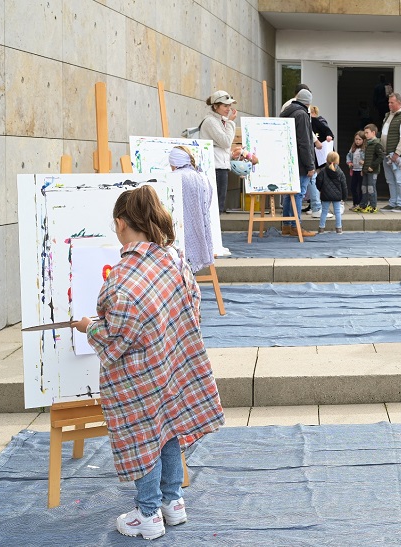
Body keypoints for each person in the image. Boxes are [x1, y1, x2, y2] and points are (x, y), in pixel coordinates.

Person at [71, 185, 224, 540]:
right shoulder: (174, 259)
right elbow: (192, 308)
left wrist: (88, 326)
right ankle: (173, 501)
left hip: (136, 379)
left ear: (121, 223)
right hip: (171, 365)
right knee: (168, 430)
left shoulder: (121, 278)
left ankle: (149, 513)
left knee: (143, 438)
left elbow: (115, 337)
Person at [279, 89, 318, 237]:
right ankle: (296, 226)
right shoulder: (302, 114)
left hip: (288, 159)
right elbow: (304, 142)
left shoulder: (288, 112)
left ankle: (287, 225)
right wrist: (310, 165)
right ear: (308, 103)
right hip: (300, 162)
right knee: (298, 193)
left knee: (289, 194)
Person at [169, 147, 213, 273]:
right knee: (191, 272)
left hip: (178, 232)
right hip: (200, 230)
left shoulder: (174, 177)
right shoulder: (202, 176)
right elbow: (208, 202)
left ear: (174, 162)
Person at [199, 90, 236, 213]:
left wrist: (231, 155)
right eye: (225, 106)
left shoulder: (219, 120)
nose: (228, 109)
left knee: (218, 205)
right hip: (215, 167)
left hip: (219, 166)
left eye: (229, 105)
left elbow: (222, 146)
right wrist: (230, 122)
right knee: (215, 207)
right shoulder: (211, 121)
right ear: (215, 106)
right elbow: (226, 142)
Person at [380, 92, 401, 213]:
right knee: (390, 180)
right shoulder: (388, 115)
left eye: (392, 102)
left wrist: (397, 153)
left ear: (399, 102)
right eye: (388, 102)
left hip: (396, 155)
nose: (389, 104)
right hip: (387, 153)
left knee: (400, 179)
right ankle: (393, 202)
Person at [316, 151, 348, 234]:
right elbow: (344, 185)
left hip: (325, 194)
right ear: (338, 161)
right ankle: (339, 228)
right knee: (337, 212)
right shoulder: (340, 172)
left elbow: (318, 182)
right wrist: (344, 197)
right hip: (337, 195)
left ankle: (321, 228)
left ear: (327, 159)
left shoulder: (323, 171)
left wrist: (321, 189)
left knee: (324, 211)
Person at [359, 123, 384, 213]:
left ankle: (373, 206)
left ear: (373, 133)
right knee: (364, 188)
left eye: (367, 133)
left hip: (373, 171)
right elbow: (367, 158)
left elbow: (381, 157)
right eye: (365, 133)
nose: (365, 135)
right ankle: (363, 205)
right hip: (366, 170)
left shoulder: (377, 144)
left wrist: (373, 166)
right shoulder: (368, 143)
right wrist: (363, 169)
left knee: (371, 188)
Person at [346, 130, 366, 210]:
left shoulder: (364, 149)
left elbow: (368, 158)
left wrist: (364, 162)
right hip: (354, 170)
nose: (357, 141)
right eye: (356, 139)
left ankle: (361, 203)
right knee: (353, 187)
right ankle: (355, 203)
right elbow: (348, 156)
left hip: (361, 170)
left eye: (359, 139)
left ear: (363, 140)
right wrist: (349, 163)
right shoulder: (353, 148)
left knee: (361, 188)